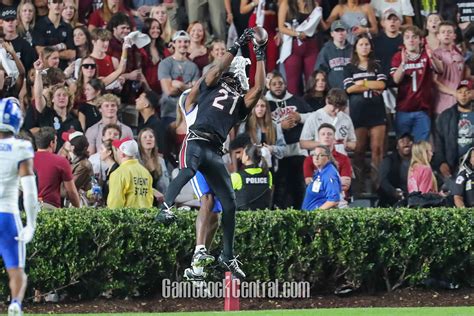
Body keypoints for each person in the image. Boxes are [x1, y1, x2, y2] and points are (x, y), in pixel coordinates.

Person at [155, 28, 266, 279]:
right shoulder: (203, 90)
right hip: (195, 141)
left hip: (215, 150)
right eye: (234, 76)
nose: (237, 79)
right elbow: (214, 71)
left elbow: (258, 89)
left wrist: (260, 53)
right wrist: (236, 45)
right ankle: (166, 208)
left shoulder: (238, 103)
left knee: (228, 202)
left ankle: (227, 255)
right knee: (191, 173)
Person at [0, 98, 39, 316]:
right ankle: (15, 303)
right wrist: (31, 223)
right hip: (6, 214)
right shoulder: (21, 147)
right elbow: (30, 190)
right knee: (16, 269)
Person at [265, 72, 312, 209]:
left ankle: (302, 213)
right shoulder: (265, 103)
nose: (278, 86)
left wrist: (300, 117)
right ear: (269, 86)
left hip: (298, 150)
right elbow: (259, 124)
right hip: (277, 153)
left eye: (280, 83)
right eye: (274, 84)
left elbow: (315, 116)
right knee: (280, 188)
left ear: (286, 85)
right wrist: (280, 127)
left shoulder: (297, 100)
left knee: (300, 186)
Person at [391, 25, 443, 142]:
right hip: (403, 108)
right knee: (403, 146)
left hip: (422, 109)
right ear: (403, 40)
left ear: (420, 40)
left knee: (421, 146)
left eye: (414, 37)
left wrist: (432, 57)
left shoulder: (426, 55)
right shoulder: (398, 56)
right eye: (407, 37)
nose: (411, 40)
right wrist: (403, 64)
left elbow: (440, 70)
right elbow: (396, 80)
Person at [434, 80, 474, 190]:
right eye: (460, 92)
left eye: (467, 91)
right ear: (456, 94)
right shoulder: (446, 116)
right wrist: (441, 162)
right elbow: (438, 141)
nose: (463, 95)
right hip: (453, 165)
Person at [278, 0, 323, 95]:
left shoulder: (313, 4)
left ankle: (313, 106)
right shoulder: (286, 3)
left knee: (312, 81)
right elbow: (281, 27)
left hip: (311, 46)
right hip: (293, 47)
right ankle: (295, 107)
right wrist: (297, 34)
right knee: (292, 84)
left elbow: (321, 26)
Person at [158, 30, 200, 126]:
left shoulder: (193, 66)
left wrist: (180, 85)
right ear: (173, 44)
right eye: (179, 41)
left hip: (187, 112)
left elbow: (195, 92)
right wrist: (188, 87)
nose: (183, 44)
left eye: (185, 42)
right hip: (168, 112)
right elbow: (168, 91)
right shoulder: (165, 64)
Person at [33, 126, 80, 208]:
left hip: (27, 207)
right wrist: (78, 209)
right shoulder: (61, 161)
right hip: (50, 209)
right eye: (56, 141)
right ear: (52, 143)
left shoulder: (25, 159)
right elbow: (71, 191)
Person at [302, 123, 352, 201]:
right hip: (316, 199)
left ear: (334, 138)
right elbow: (309, 183)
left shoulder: (344, 159)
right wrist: (334, 181)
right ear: (318, 138)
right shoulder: (309, 159)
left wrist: (319, 182)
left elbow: (345, 185)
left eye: (329, 134)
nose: (326, 136)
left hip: (339, 199)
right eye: (323, 134)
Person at [300, 88, 356, 156]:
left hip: (341, 159)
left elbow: (353, 144)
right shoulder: (314, 117)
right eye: (335, 107)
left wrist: (346, 144)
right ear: (327, 101)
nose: (337, 111)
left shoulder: (346, 118)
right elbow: (303, 143)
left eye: (340, 108)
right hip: (320, 159)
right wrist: (323, 143)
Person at [237, 97, 286, 170]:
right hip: (249, 168)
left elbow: (283, 149)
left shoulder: (275, 126)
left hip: (269, 168)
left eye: (262, 106)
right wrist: (252, 149)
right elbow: (238, 149)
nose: (260, 109)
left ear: (267, 108)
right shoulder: (245, 126)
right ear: (253, 108)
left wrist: (272, 149)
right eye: (256, 106)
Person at [107, 137, 154, 208]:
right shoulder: (146, 172)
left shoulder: (118, 173)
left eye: (117, 150)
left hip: (127, 218)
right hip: (145, 216)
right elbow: (150, 199)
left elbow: (115, 204)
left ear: (122, 154)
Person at [433, 21, 466, 115]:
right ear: (438, 36)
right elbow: (433, 81)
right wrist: (453, 92)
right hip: (442, 105)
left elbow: (462, 77)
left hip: (459, 103)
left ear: (454, 36)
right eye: (443, 32)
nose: (446, 34)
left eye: (449, 32)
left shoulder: (459, 55)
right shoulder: (435, 55)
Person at [32, 0, 75, 69]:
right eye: (54, 2)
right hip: (44, 69)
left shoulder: (68, 27)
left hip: (62, 70)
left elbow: (72, 53)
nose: (57, 5)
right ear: (49, 5)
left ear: (63, 6)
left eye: (60, 2)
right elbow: (39, 50)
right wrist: (60, 47)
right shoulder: (39, 25)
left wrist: (49, 52)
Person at [231, 144, 273, 210]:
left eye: (243, 153)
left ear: (247, 157)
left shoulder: (237, 177)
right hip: (263, 217)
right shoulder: (268, 174)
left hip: (243, 218)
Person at [377, 132, 413, 207]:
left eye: (409, 141)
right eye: (402, 141)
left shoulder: (418, 161)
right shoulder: (389, 160)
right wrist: (394, 192)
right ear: (397, 146)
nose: (406, 143)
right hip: (391, 201)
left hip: (414, 199)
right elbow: (383, 181)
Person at [315, 20, 352, 90]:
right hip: (332, 90)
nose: (340, 33)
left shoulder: (353, 49)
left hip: (352, 89)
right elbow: (319, 71)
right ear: (332, 34)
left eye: (342, 30)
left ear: (346, 32)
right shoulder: (326, 50)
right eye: (337, 31)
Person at [301, 145, 341, 211]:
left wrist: (316, 213)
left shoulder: (329, 174)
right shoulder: (320, 172)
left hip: (320, 218)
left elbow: (334, 201)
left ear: (328, 157)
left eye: (320, 155)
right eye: (314, 155)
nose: (316, 158)